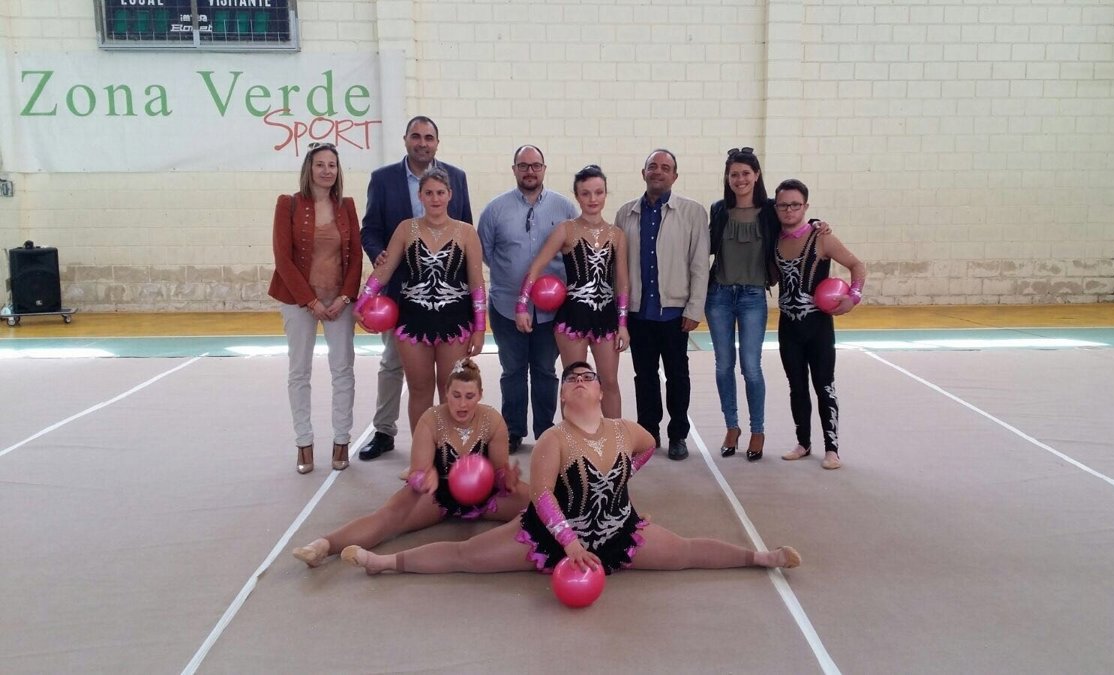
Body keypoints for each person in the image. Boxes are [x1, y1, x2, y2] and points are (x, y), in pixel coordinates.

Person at [340, 360, 801, 576]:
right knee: (467, 557)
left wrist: (621, 483)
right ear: (563, 395)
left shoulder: (625, 430)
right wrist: (570, 543)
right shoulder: (553, 439)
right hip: (551, 536)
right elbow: (541, 496)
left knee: (684, 552)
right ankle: (386, 562)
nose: (580, 381)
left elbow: (646, 449)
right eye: (571, 379)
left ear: (600, 391)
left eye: (588, 378)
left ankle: (761, 558)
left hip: (617, 530)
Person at [293, 358, 527, 566]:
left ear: (480, 395)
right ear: (446, 393)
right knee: (388, 517)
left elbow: (499, 470)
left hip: (486, 494)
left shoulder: (492, 420)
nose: (462, 404)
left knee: (538, 503)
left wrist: (505, 478)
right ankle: (323, 545)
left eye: (469, 396)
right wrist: (423, 479)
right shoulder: (431, 419)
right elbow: (417, 472)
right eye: (456, 396)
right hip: (437, 493)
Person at [358, 116, 473, 462]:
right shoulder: (383, 179)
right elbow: (370, 229)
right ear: (406, 139)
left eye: (429, 137)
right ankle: (386, 432)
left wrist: (473, 316)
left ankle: (449, 453)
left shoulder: (457, 177)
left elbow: (466, 233)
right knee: (394, 366)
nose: (423, 143)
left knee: (450, 385)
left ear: (437, 142)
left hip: (450, 304)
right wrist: (380, 258)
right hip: (400, 297)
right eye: (416, 136)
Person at [355, 167, 486, 436]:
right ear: (420, 196)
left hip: (455, 322)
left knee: (451, 390)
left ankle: (448, 451)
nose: (435, 198)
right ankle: (422, 452)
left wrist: (481, 328)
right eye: (429, 193)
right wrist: (362, 303)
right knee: (419, 389)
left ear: (450, 194)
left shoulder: (466, 232)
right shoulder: (406, 228)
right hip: (413, 321)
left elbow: (476, 283)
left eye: (440, 192)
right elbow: (384, 270)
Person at [267, 142, 363, 474]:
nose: (326, 170)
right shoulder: (289, 204)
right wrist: (310, 301)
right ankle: (304, 443)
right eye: (320, 164)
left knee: (343, 370)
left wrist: (345, 297)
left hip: (339, 303)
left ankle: (341, 441)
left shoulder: (347, 206)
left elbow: (355, 257)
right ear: (309, 168)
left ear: (338, 170)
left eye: (332, 165)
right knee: (299, 372)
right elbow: (283, 258)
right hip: (299, 302)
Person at [478, 145, 578, 454]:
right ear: (514, 170)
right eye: (523, 166)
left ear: (544, 169)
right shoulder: (495, 210)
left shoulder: (565, 208)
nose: (530, 171)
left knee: (546, 371)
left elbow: (575, 252)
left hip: (552, 310)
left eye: (535, 165)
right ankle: (513, 431)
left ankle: (545, 431)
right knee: (513, 371)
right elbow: (486, 252)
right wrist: (511, 277)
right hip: (507, 307)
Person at [613, 149, 709, 460]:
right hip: (639, 312)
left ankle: (678, 434)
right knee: (645, 376)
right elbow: (618, 268)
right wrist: (620, 313)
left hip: (675, 314)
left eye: (665, 167)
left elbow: (699, 264)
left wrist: (694, 308)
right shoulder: (625, 214)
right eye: (652, 166)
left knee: (678, 376)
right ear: (643, 173)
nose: (658, 171)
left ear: (674, 176)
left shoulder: (692, 213)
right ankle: (648, 434)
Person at [516, 165, 629, 419]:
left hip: (606, 318)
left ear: (606, 193)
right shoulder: (566, 229)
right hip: (572, 318)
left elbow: (622, 282)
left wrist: (622, 324)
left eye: (598, 192)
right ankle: (572, 439)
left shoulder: (617, 235)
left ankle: (615, 438)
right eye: (585, 193)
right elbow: (536, 267)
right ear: (577, 196)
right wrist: (521, 305)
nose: (593, 199)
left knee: (609, 382)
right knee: (574, 383)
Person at [773, 179, 866, 470]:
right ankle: (803, 443)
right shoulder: (774, 237)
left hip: (818, 328)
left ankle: (832, 448)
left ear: (806, 206)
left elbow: (857, 266)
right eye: (783, 205)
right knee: (796, 386)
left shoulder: (822, 237)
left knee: (824, 386)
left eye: (795, 205)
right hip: (788, 326)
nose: (789, 210)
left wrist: (854, 296)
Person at [706, 148, 780, 462]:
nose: (740, 179)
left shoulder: (771, 210)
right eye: (734, 174)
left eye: (745, 173)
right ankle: (731, 427)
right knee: (724, 365)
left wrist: (818, 225)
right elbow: (704, 248)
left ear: (756, 175)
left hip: (752, 297)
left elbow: (796, 226)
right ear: (728, 178)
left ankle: (757, 430)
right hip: (719, 296)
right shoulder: (719, 209)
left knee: (751, 367)